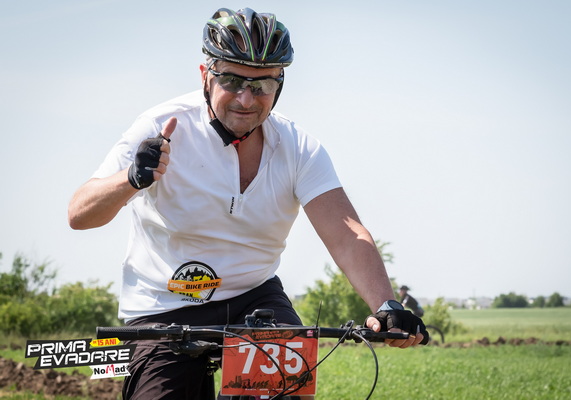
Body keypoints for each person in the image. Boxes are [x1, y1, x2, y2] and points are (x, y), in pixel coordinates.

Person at [68, 7, 428, 400]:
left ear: (280, 84)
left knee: (285, 388)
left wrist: (385, 303)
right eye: (232, 80)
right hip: (163, 303)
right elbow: (79, 214)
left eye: (262, 85)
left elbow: (346, 235)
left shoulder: (297, 147)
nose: (245, 98)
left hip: (253, 296)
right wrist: (131, 178)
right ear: (206, 75)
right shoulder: (160, 126)